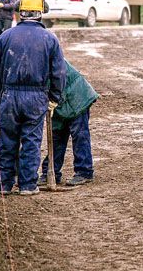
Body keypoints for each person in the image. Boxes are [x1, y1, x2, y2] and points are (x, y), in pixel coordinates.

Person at [0, 0, 65, 195]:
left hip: (9, 96)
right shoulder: (50, 39)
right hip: (36, 98)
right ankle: (28, 185)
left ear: (20, 12)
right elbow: (59, 73)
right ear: (41, 13)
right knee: (31, 141)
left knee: (8, 141)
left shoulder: (5, 37)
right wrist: (54, 98)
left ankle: (4, 184)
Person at [39, 59, 99, 187]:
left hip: (76, 96)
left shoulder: (44, 56)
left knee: (79, 135)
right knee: (57, 136)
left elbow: (58, 77)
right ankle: (50, 172)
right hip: (59, 99)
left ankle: (84, 172)